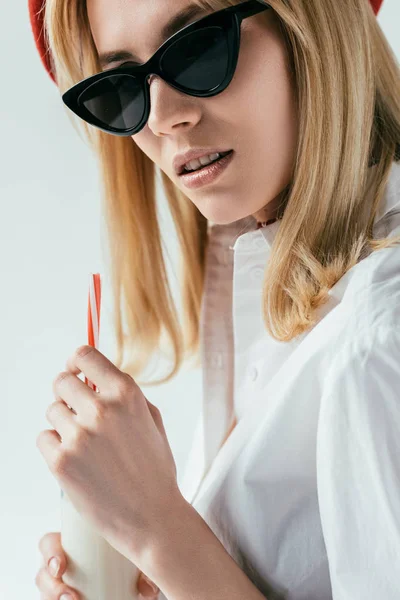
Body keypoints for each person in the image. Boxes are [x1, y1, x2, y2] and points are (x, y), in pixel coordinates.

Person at [29, 0, 400, 599]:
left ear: (311, 24)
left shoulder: (378, 336)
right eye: (122, 86)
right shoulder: (272, 300)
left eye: (200, 46)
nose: (163, 117)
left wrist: (157, 530)